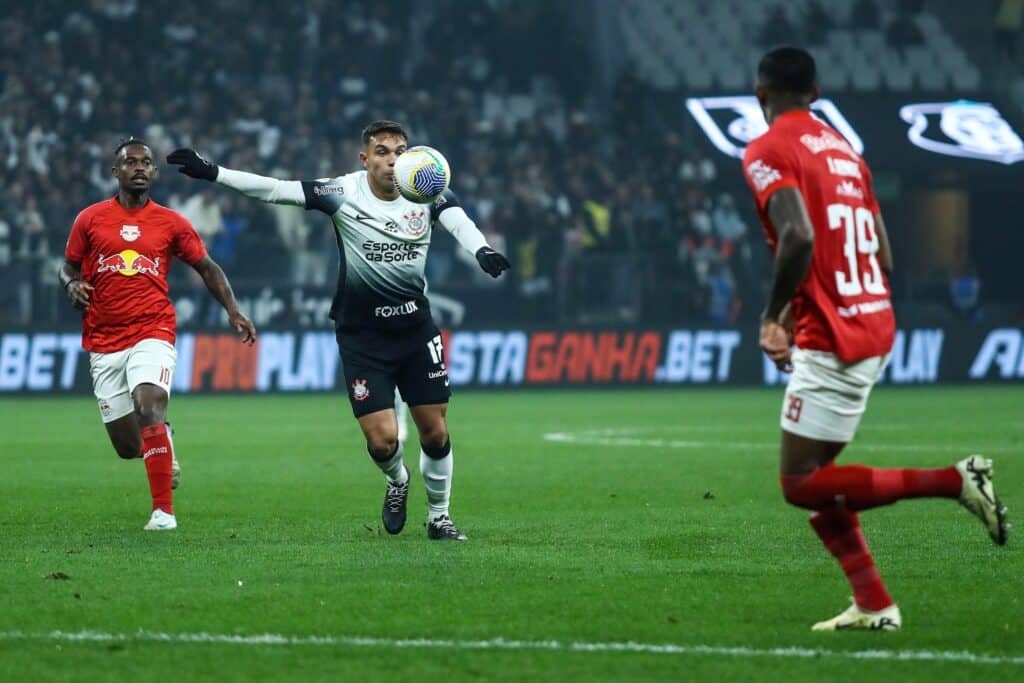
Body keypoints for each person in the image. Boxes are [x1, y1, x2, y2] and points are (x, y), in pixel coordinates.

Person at [742, 48, 1008, 631]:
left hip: (834, 333)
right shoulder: (846, 151)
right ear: (815, 92)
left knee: (801, 484)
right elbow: (883, 254)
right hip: (872, 320)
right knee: (824, 485)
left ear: (761, 96)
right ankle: (873, 604)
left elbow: (798, 236)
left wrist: (774, 314)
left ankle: (954, 480)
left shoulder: (767, 149)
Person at [167, 120, 510, 541]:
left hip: (416, 330)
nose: (394, 159)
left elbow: (457, 219)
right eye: (383, 151)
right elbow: (276, 189)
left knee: (435, 430)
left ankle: (440, 517)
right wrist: (213, 172)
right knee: (383, 443)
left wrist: (482, 250)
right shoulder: (342, 192)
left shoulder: (426, 186)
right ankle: (398, 481)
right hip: (362, 336)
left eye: (400, 150)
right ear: (364, 159)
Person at [60, 138, 255, 531]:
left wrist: (232, 309)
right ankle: (162, 439)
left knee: (149, 403)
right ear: (115, 171)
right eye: (129, 162)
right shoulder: (90, 219)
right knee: (128, 446)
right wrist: (71, 285)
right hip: (103, 339)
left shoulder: (171, 222)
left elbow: (207, 267)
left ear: (153, 172)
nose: (138, 167)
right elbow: (67, 266)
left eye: (145, 163)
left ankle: (162, 512)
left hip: (153, 329)